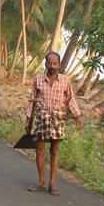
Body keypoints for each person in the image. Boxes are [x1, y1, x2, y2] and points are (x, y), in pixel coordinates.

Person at [25, 51, 83, 195]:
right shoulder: (38, 79)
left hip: (58, 118)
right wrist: (28, 119)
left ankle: (52, 183)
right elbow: (32, 100)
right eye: (49, 63)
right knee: (40, 151)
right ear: (45, 64)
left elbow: (71, 99)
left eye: (55, 63)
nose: (52, 66)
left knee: (55, 151)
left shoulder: (65, 80)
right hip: (41, 118)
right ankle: (41, 182)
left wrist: (77, 116)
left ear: (59, 65)